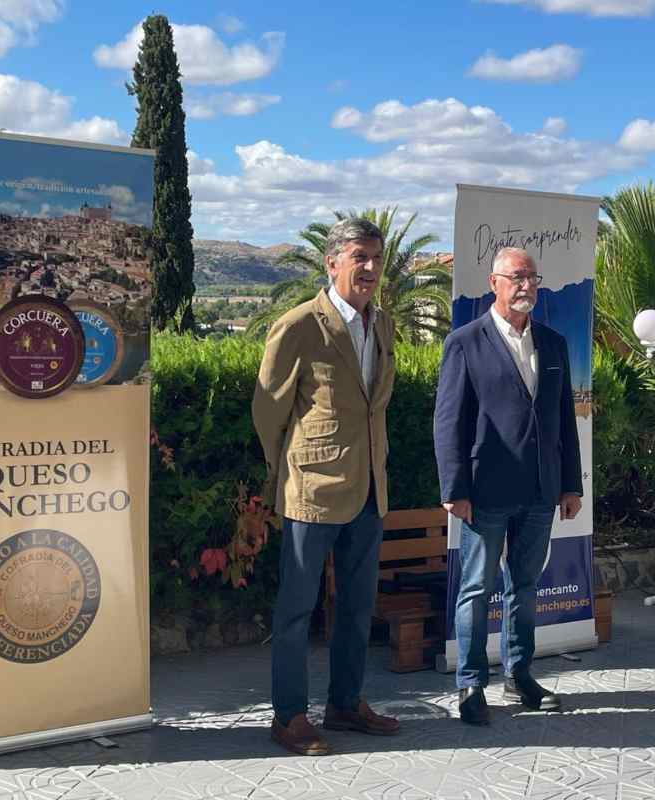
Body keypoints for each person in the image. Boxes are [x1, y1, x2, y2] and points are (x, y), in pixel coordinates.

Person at [253, 217, 399, 756]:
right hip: (311, 490)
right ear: (331, 262)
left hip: (369, 490)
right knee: (296, 611)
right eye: (359, 256)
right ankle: (288, 715)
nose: (369, 268)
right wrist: (287, 471)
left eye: (376, 259)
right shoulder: (298, 326)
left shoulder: (380, 325)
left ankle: (344, 703)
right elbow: (268, 410)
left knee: (359, 606)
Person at [432, 246, 583, 725]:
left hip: (540, 491)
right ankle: (471, 684)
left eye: (533, 278)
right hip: (485, 491)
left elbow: (564, 420)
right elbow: (448, 421)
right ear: (494, 282)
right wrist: (454, 488)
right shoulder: (464, 342)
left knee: (524, 584)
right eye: (518, 277)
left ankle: (520, 676)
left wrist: (570, 484)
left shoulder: (554, 343)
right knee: (476, 589)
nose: (527, 286)